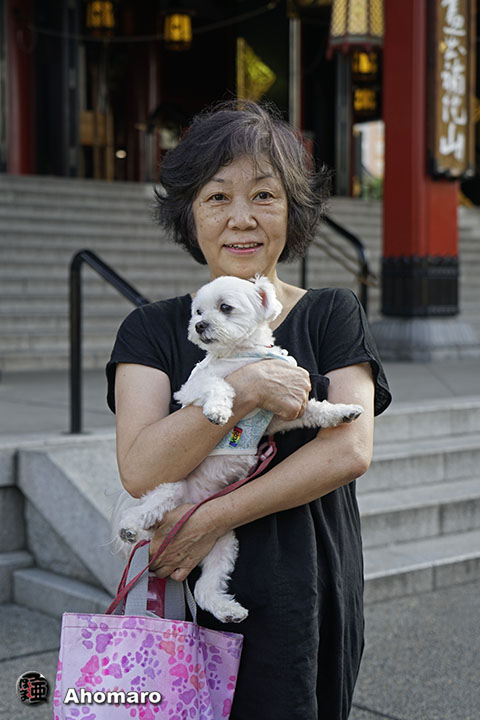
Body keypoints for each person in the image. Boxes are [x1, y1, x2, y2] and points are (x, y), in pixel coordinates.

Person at [106, 100, 391, 720]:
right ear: (190, 212)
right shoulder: (150, 330)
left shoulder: (333, 312)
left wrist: (210, 518)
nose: (242, 219)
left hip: (308, 588)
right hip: (190, 594)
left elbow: (350, 449)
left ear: (293, 209)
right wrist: (251, 387)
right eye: (217, 198)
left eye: (265, 196)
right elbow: (141, 467)